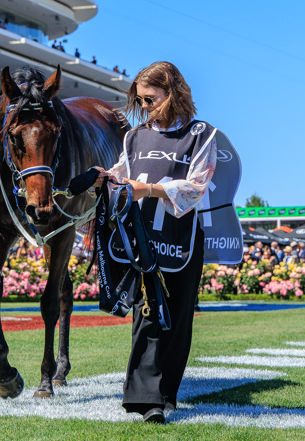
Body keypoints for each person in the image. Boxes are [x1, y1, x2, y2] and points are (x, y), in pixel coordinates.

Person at [93, 61, 217, 424]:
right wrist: (102, 178)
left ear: (173, 93)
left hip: (182, 240)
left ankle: (166, 394)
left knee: (177, 319)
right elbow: (121, 176)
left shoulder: (202, 134)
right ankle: (145, 400)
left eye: (151, 99)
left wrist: (148, 189)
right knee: (147, 312)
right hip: (143, 239)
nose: (145, 107)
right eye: (141, 101)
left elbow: (196, 187)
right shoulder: (134, 137)